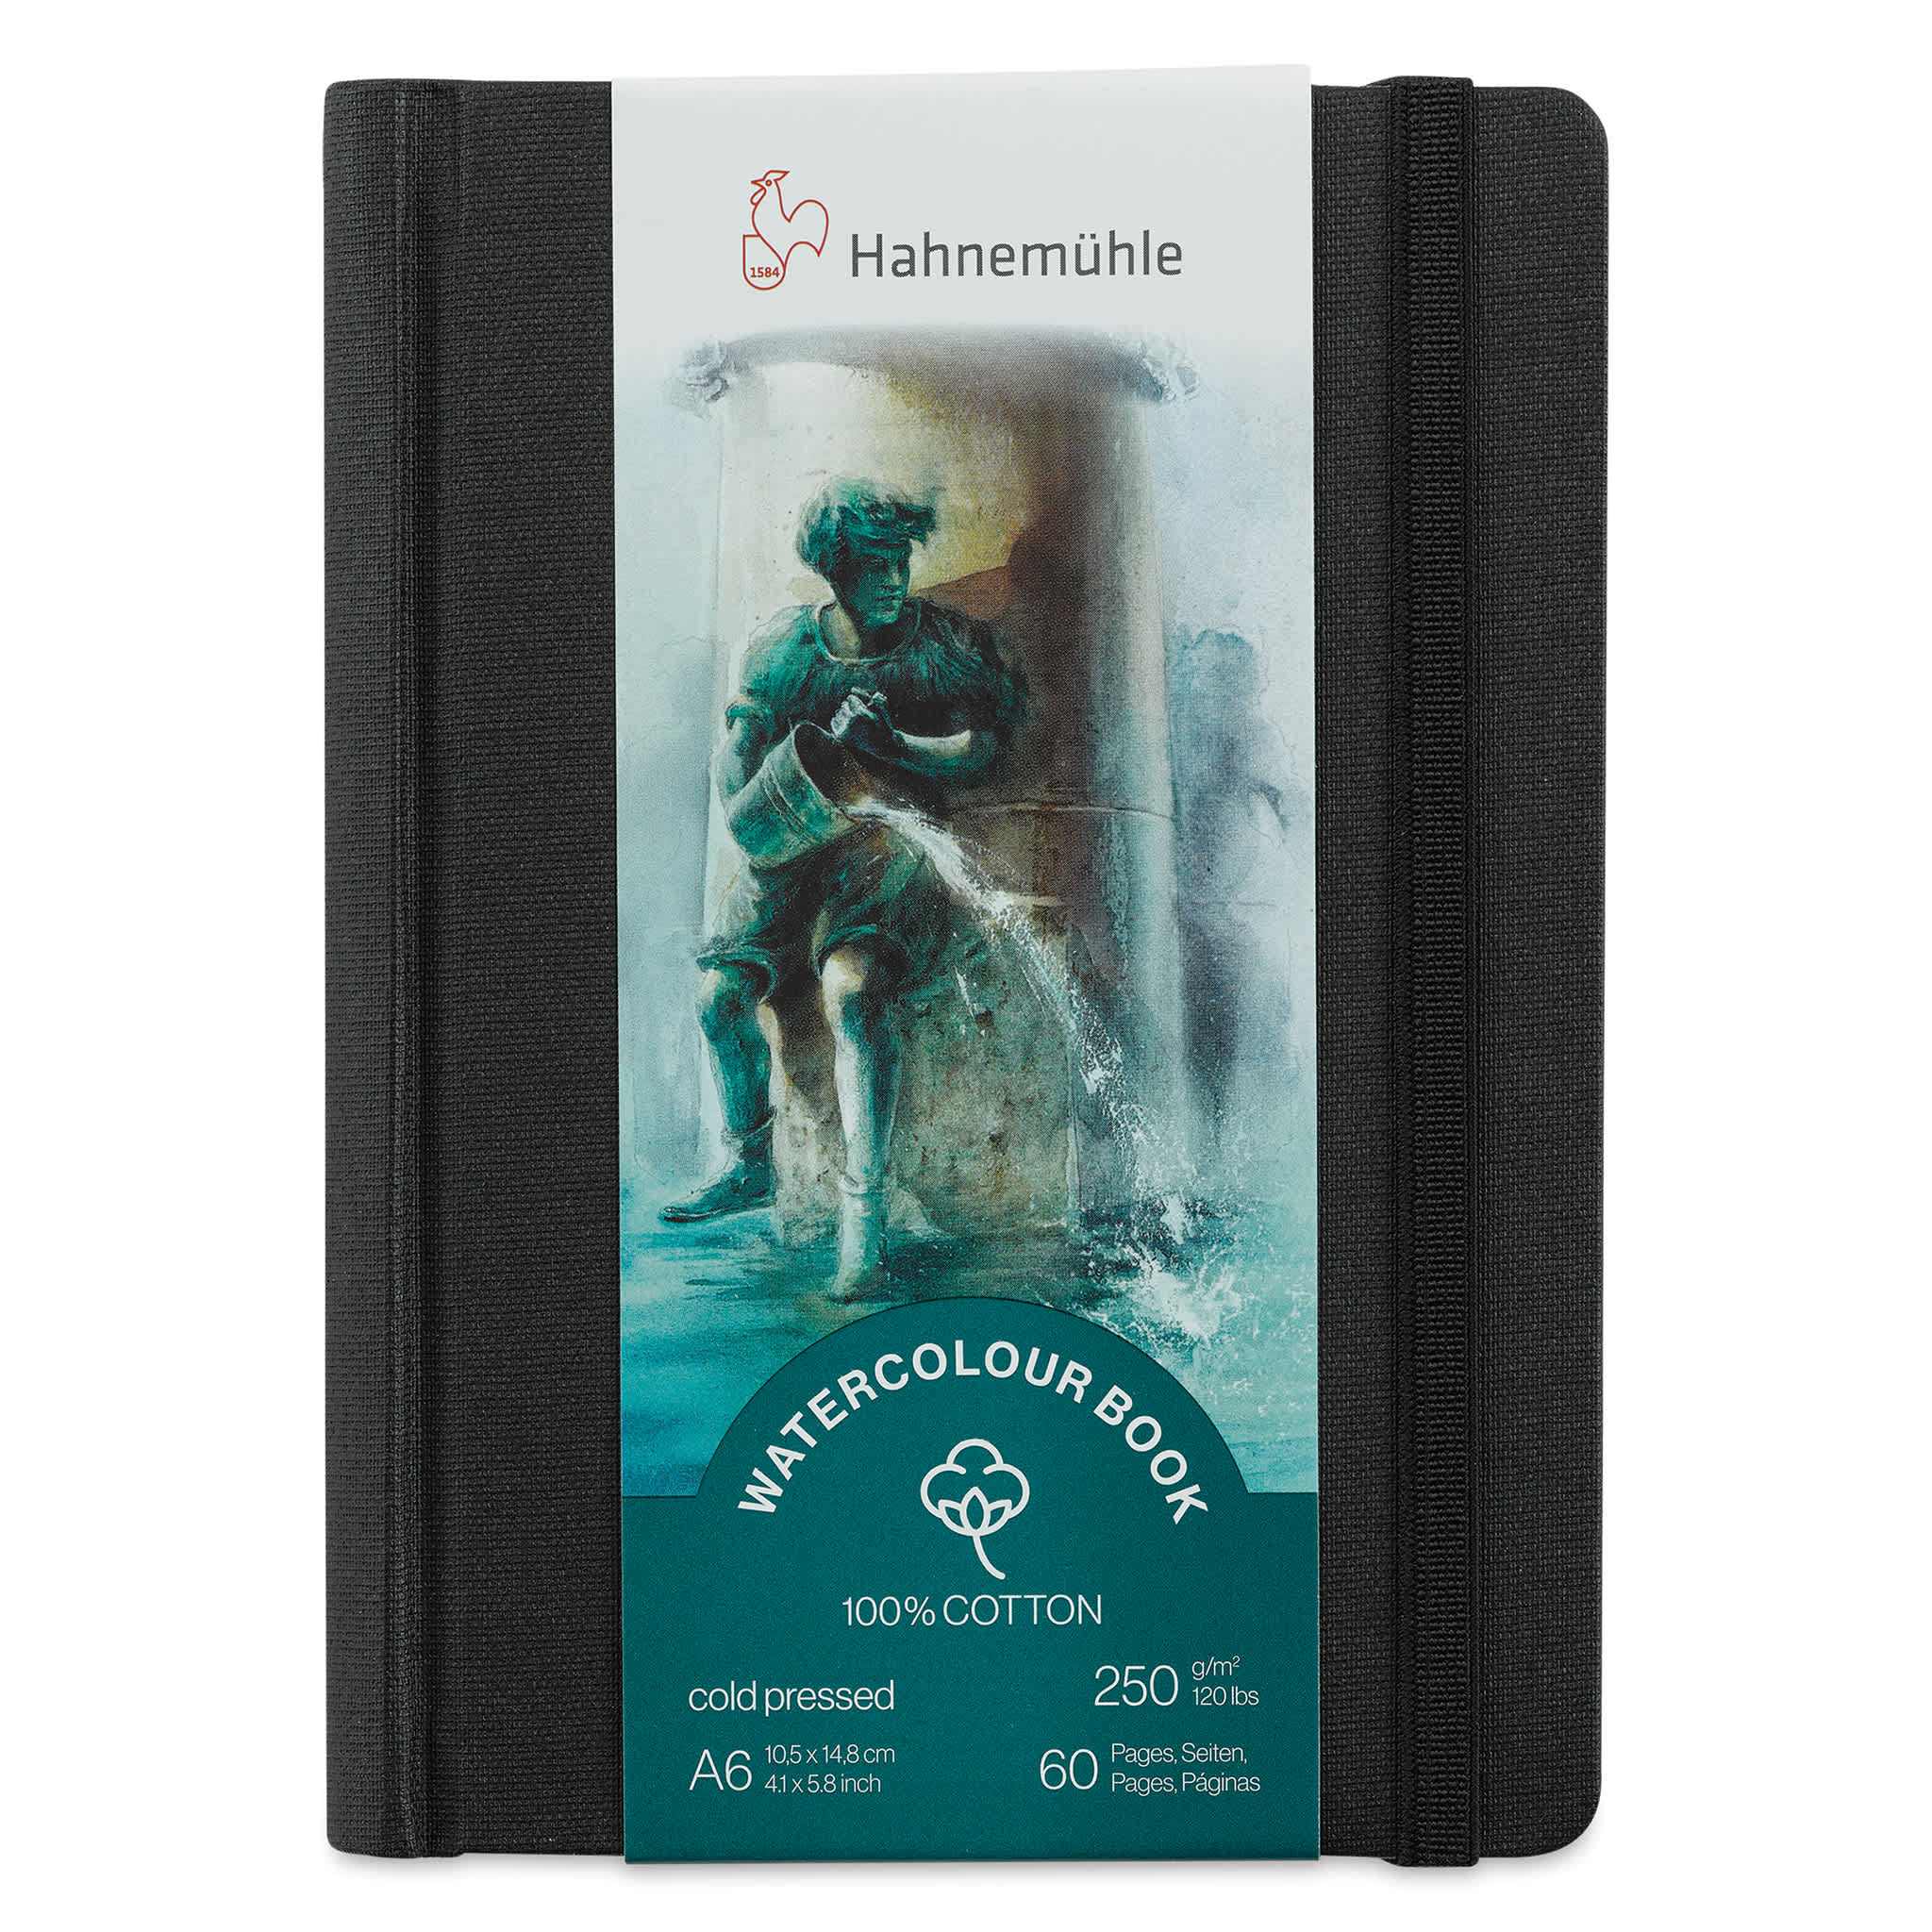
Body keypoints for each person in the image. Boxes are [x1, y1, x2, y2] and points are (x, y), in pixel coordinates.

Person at [662, 480, 1026, 1297]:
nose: (893, 579)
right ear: (835, 570)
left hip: (887, 848)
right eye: (872, 565)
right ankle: (750, 1162)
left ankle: (864, 1217)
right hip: (793, 850)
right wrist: (742, 803)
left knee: (853, 991)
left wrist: (895, 745)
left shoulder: (942, 644)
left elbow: (982, 749)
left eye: (900, 560)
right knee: (717, 1001)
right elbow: (741, 746)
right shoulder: (782, 648)